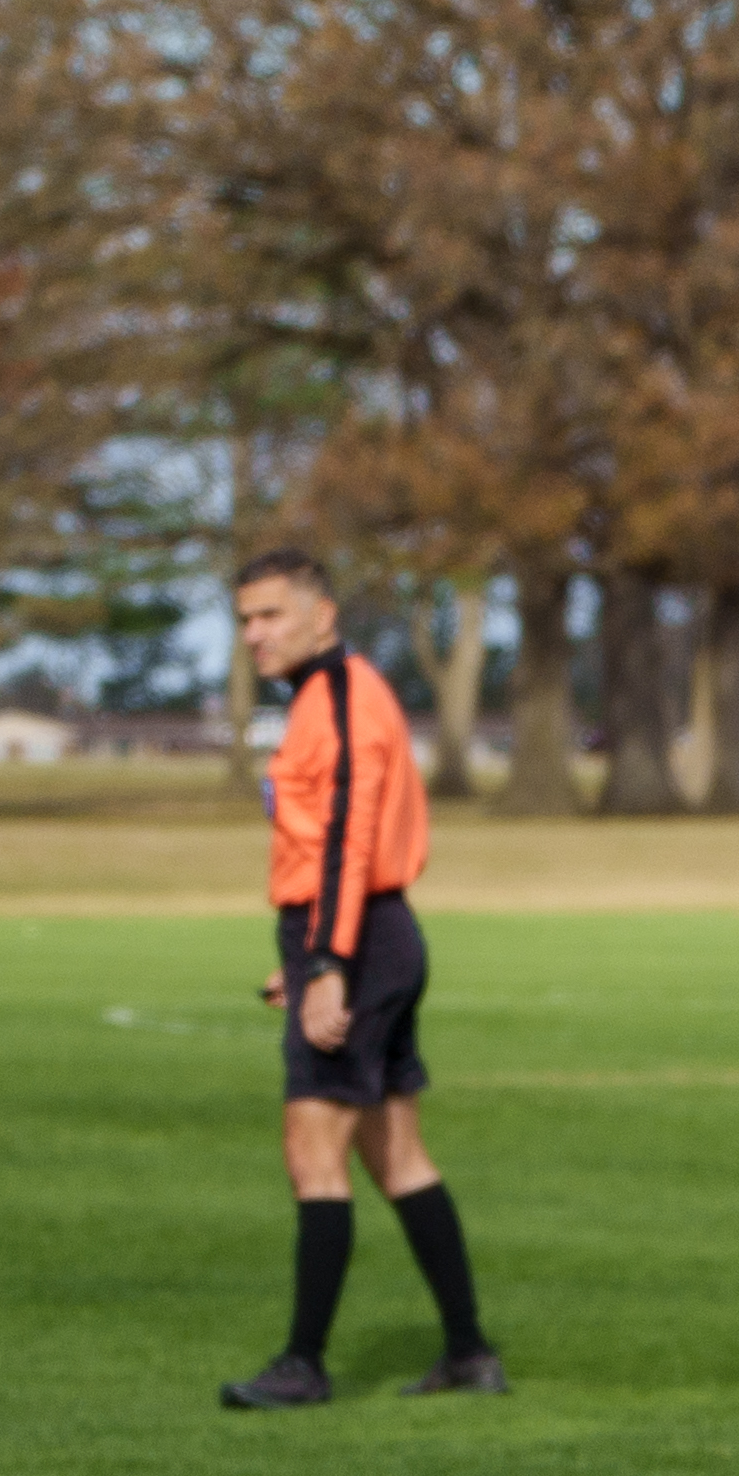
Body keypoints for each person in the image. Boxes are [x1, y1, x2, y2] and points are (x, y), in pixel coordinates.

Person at [219, 547, 496, 1409]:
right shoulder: (327, 695)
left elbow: (347, 842)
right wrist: (300, 958)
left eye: (269, 615)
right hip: (363, 934)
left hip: (360, 940)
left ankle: (303, 1363)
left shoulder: (338, 699)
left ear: (322, 614)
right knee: (397, 1153)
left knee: (313, 1149)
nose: (254, 635)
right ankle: (469, 1353)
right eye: (244, 621)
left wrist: (328, 965)